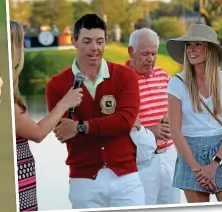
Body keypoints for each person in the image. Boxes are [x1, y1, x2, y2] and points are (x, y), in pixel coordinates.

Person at [45, 14, 146, 209]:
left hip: (126, 179)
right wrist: (108, 124)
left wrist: (81, 126)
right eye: (87, 41)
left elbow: (125, 121)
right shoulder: (56, 85)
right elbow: (64, 132)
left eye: (100, 41)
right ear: (74, 41)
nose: (95, 48)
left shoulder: (126, 76)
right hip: (83, 181)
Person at [10, 20, 83, 212]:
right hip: (14, 182)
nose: (23, 49)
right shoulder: (4, 96)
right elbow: (37, 133)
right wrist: (64, 103)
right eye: (21, 44)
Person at [166, 24, 222, 202]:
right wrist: (197, 169)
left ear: (210, 49)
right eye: (188, 45)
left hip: (221, 152)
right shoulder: (176, 83)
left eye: (198, 44)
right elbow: (175, 131)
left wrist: (215, 163)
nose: (191, 50)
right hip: (189, 155)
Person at [126, 27, 181, 205]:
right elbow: (117, 123)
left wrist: (170, 115)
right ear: (130, 52)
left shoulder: (163, 74)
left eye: (153, 53)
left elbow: (177, 106)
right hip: (142, 160)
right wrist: (151, 131)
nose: (150, 59)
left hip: (169, 155)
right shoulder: (120, 80)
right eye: (144, 54)